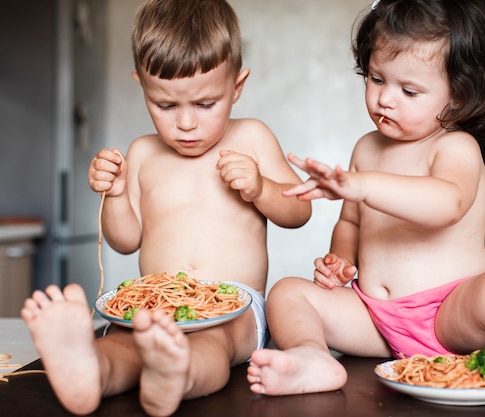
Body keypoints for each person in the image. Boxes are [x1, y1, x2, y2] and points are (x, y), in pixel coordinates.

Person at [247, 1, 485, 416]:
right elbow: (351, 221)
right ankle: (312, 357)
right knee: (287, 292)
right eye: (376, 79)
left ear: (458, 96)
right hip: (374, 319)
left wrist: (361, 185)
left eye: (409, 91)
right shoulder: (366, 148)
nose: (385, 99)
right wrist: (341, 258)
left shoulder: (455, 147)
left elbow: (446, 204)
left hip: (450, 315)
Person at [20, 0, 311, 416]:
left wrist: (262, 188)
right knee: (124, 341)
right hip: (152, 303)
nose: (186, 124)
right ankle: (93, 372)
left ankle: (177, 374)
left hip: (234, 305)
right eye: (166, 106)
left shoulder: (252, 137)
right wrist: (117, 192)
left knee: (214, 344)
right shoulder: (142, 152)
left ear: (237, 86)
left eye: (205, 104)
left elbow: (299, 213)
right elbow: (124, 242)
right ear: (142, 86)